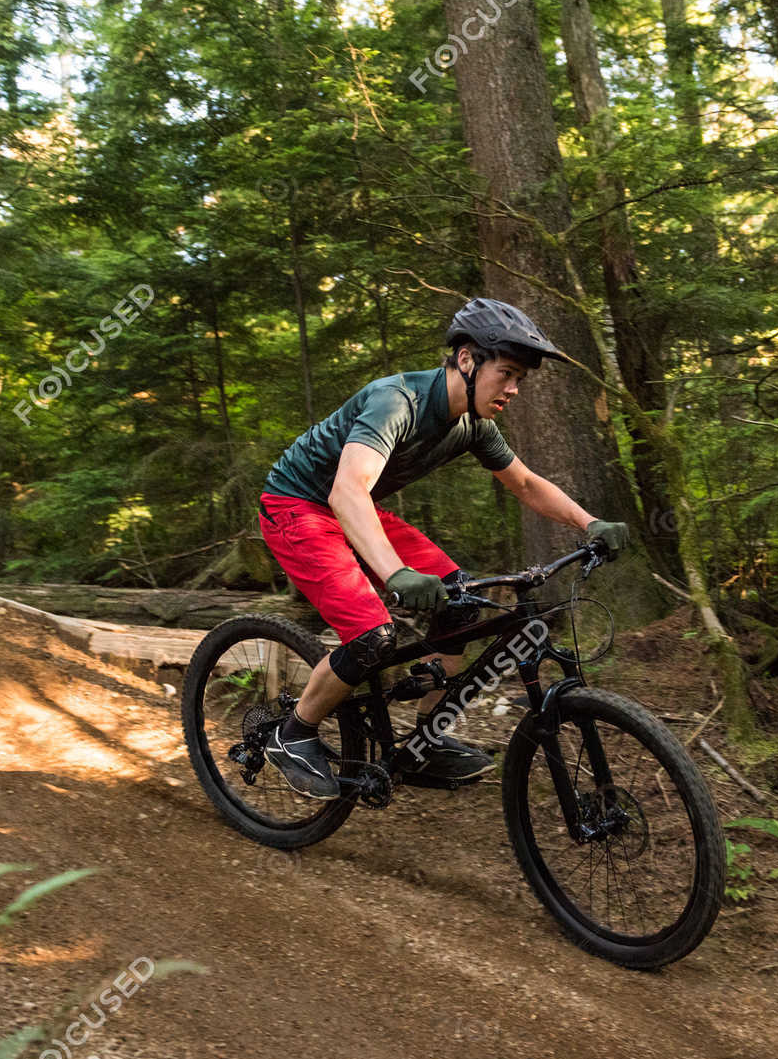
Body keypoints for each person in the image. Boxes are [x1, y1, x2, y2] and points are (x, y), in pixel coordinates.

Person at [256, 297, 631, 799]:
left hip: (355, 508)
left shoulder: (473, 424)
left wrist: (590, 523)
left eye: (521, 378)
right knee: (371, 635)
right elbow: (346, 489)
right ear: (467, 360)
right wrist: (395, 574)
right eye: (508, 373)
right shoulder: (397, 401)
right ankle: (293, 733)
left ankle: (426, 740)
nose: (515, 389)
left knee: (461, 602)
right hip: (296, 507)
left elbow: (523, 483)